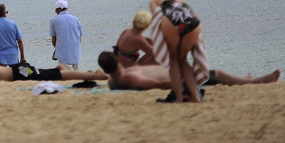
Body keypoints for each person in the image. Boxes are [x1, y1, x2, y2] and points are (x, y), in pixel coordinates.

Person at [98, 51, 280, 93]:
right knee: (219, 74)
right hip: (182, 78)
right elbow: (159, 84)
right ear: (117, 61)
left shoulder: (113, 80)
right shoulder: (131, 77)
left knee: (215, 74)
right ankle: (255, 81)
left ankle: (243, 79)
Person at [149, 0, 203, 103]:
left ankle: (179, 98)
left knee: (173, 58)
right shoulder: (182, 3)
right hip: (194, 23)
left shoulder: (155, 1)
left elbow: (157, 18)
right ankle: (196, 97)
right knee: (183, 60)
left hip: (171, 20)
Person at [49, 0, 82, 70]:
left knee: (65, 73)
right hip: (75, 54)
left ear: (57, 10)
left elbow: (54, 40)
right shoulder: (76, 19)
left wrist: (57, 49)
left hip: (62, 54)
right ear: (67, 8)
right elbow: (79, 38)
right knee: (76, 74)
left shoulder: (53, 21)